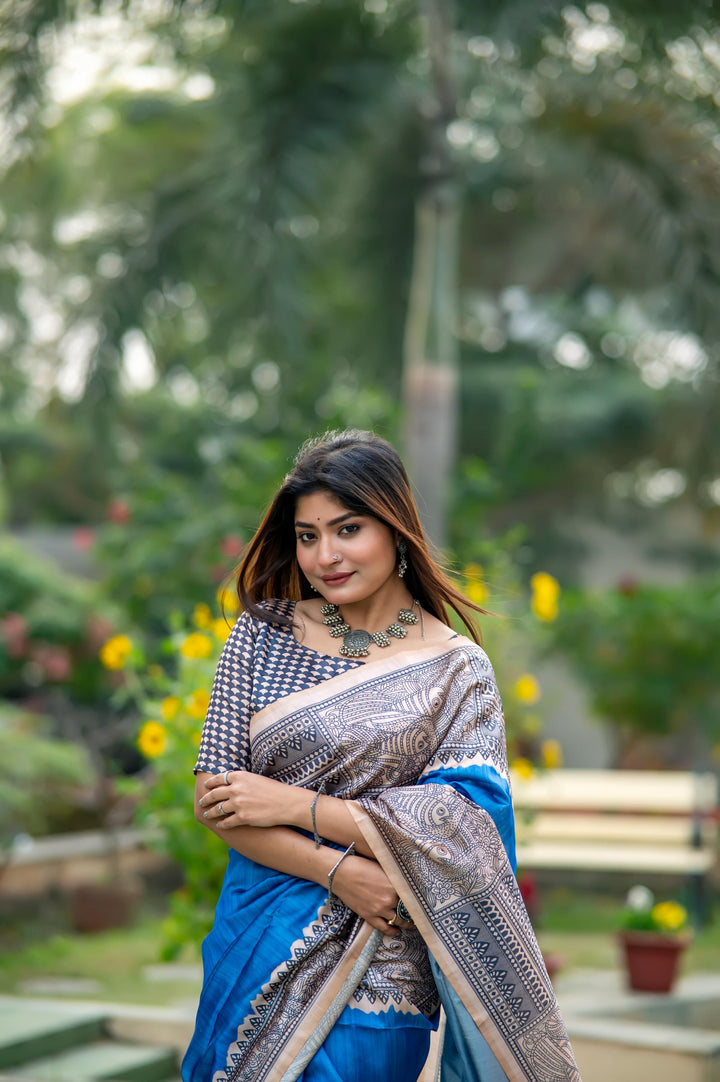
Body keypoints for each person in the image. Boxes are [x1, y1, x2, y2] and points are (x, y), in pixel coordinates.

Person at [183, 430, 580, 1082]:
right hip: (256, 937)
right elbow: (218, 801)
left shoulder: (458, 671)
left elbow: (465, 823)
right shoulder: (260, 634)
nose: (324, 555)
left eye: (348, 529)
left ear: (395, 527)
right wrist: (335, 871)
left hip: (382, 953)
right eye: (308, 536)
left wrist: (293, 803)